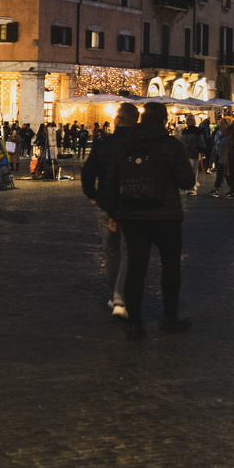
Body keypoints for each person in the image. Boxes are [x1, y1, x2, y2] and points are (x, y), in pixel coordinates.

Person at [103, 103, 195, 340]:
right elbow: (186, 180)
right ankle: (169, 318)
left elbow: (111, 183)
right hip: (166, 215)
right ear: (165, 120)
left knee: (136, 268)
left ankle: (135, 323)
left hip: (133, 216)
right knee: (170, 268)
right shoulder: (171, 145)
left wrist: (114, 213)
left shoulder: (127, 144)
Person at [82, 103, 140, 319]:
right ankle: (119, 296)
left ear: (118, 119)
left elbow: (88, 172)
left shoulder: (103, 143)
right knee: (130, 251)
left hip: (107, 204)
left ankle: (114, 295)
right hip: (134, 204)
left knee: (112, 251)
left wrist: (92, 194)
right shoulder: (140, 144)